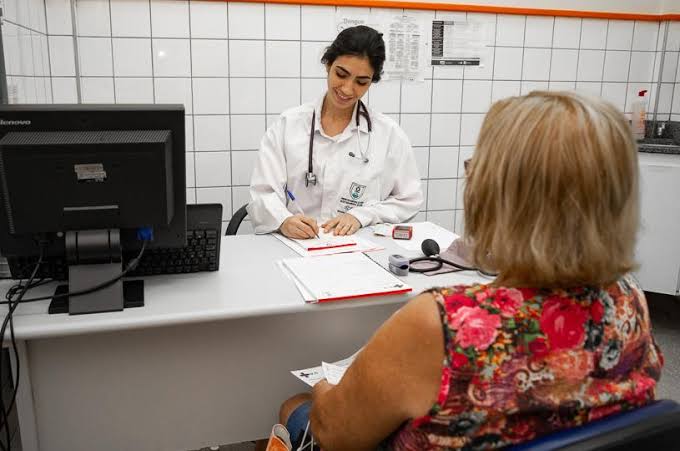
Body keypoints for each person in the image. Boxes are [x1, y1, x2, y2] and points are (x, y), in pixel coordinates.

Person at [272, 91, 664, 450]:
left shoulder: (442, 324)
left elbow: (335, 434)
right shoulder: (629, 299)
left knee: (296, 407)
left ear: (498, 194)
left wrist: (325, 387)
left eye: (475, 166)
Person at [247, 26, 423, 239]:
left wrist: (362, 215)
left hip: (357, 251)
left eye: (361, 82)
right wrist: (283, 220)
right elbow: (263, 193)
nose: (348, 89)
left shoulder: (389, 135)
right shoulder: (288, 126)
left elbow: (409, 199)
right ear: (328, 64)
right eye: (341, 74)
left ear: (372, 81)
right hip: (295, 245)